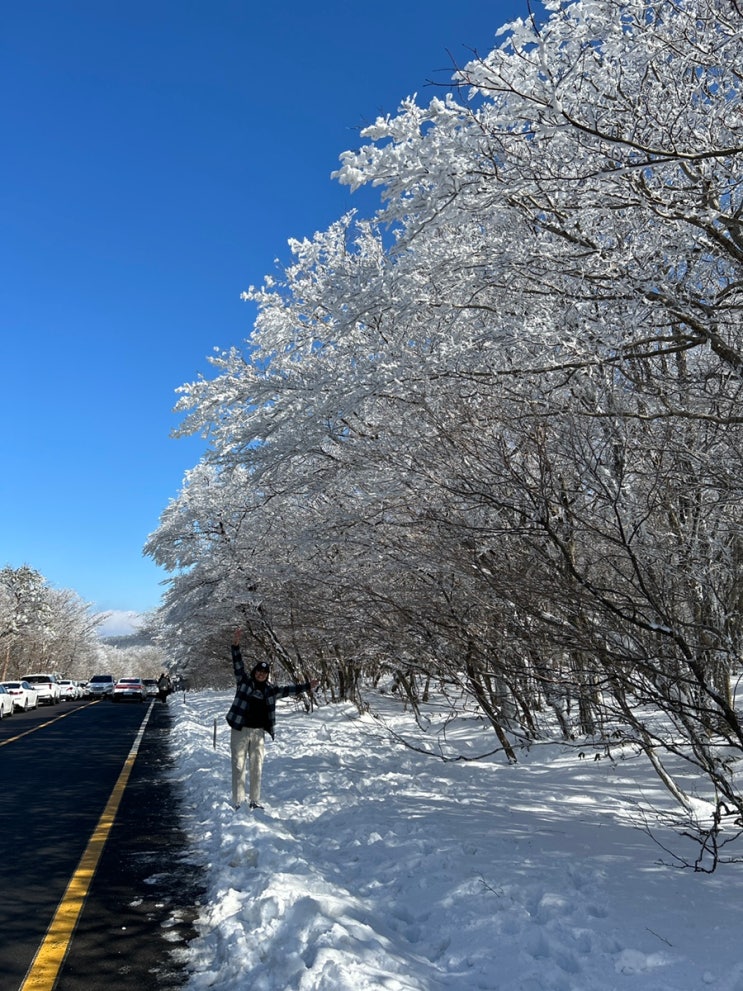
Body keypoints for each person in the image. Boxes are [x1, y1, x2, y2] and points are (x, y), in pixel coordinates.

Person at [226, 628, 319, 810]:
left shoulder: (270, 690)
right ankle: (238, 801)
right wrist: (235, 645)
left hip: (258, 732)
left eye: (264, 673)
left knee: (256, 767)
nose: (261, 675)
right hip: (240, 730)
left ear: (267, 675)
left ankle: (254, 800)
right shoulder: (244, 683)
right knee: (238, 766)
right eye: (258, 672)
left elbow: (288, 690)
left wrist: (307, 686)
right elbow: (238, 665)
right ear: (254, 673)